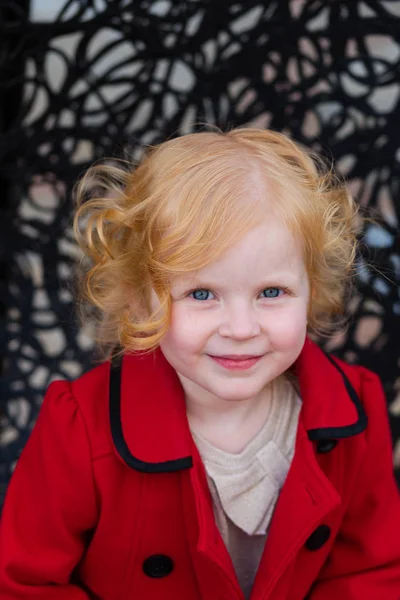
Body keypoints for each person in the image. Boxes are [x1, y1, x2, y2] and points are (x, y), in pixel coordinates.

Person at [1, 128, 400, 600]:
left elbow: (367, 573)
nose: (240, 327)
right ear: (142, 301)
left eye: (271, 292)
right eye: (202, 294)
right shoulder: (82, 425)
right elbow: (25, 582)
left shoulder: (353, 410)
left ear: (311, 288)